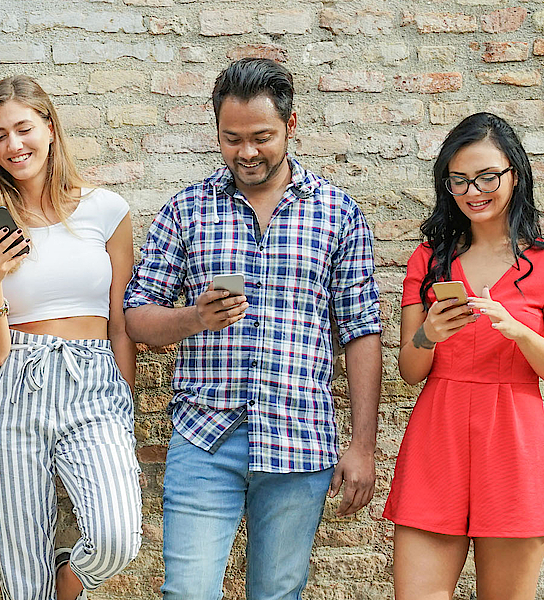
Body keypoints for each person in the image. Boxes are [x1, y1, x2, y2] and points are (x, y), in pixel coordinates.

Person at [123, 58, 382, 600]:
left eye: (261, 137)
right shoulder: (186, 211)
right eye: (231, 138)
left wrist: (362, 445)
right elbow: (137, 317)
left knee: (278, 593)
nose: (246, 152)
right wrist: (194, 318)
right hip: (204, 439)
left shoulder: (338, 213)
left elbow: (361, 331)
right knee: (188, 592)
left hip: (299, 437)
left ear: (290, 125)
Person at [0, 75, 140, 600]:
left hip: (94, 381)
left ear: (50, 129)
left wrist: (121, 393)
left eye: (23, 129)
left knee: (116, 537)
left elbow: (120, 320)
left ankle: (69, 578)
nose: (13, 145)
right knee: (21, 578)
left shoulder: (107, 211)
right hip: (14, 383)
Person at [387, 112, 544, 600]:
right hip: (439, 435)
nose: (474, 190)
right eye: (459, 180)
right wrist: (428, 334)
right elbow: (409, 372)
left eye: (487, 176)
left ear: (515, 174)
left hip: (513, 442)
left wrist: (519, 331)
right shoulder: (427, 259)